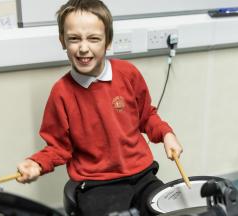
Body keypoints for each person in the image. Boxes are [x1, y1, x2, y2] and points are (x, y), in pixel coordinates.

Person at [16, 0, 184, 215]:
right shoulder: (61, 92)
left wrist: (166, 134)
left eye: (94, 39)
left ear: (108, 42)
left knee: (169, 210)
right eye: (74, 39)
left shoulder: (128, 74)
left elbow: (146, 116)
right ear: (62, 41)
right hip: (97, 184)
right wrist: (37, 163)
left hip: (142, 174)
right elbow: (58, 147)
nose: (83, 48)